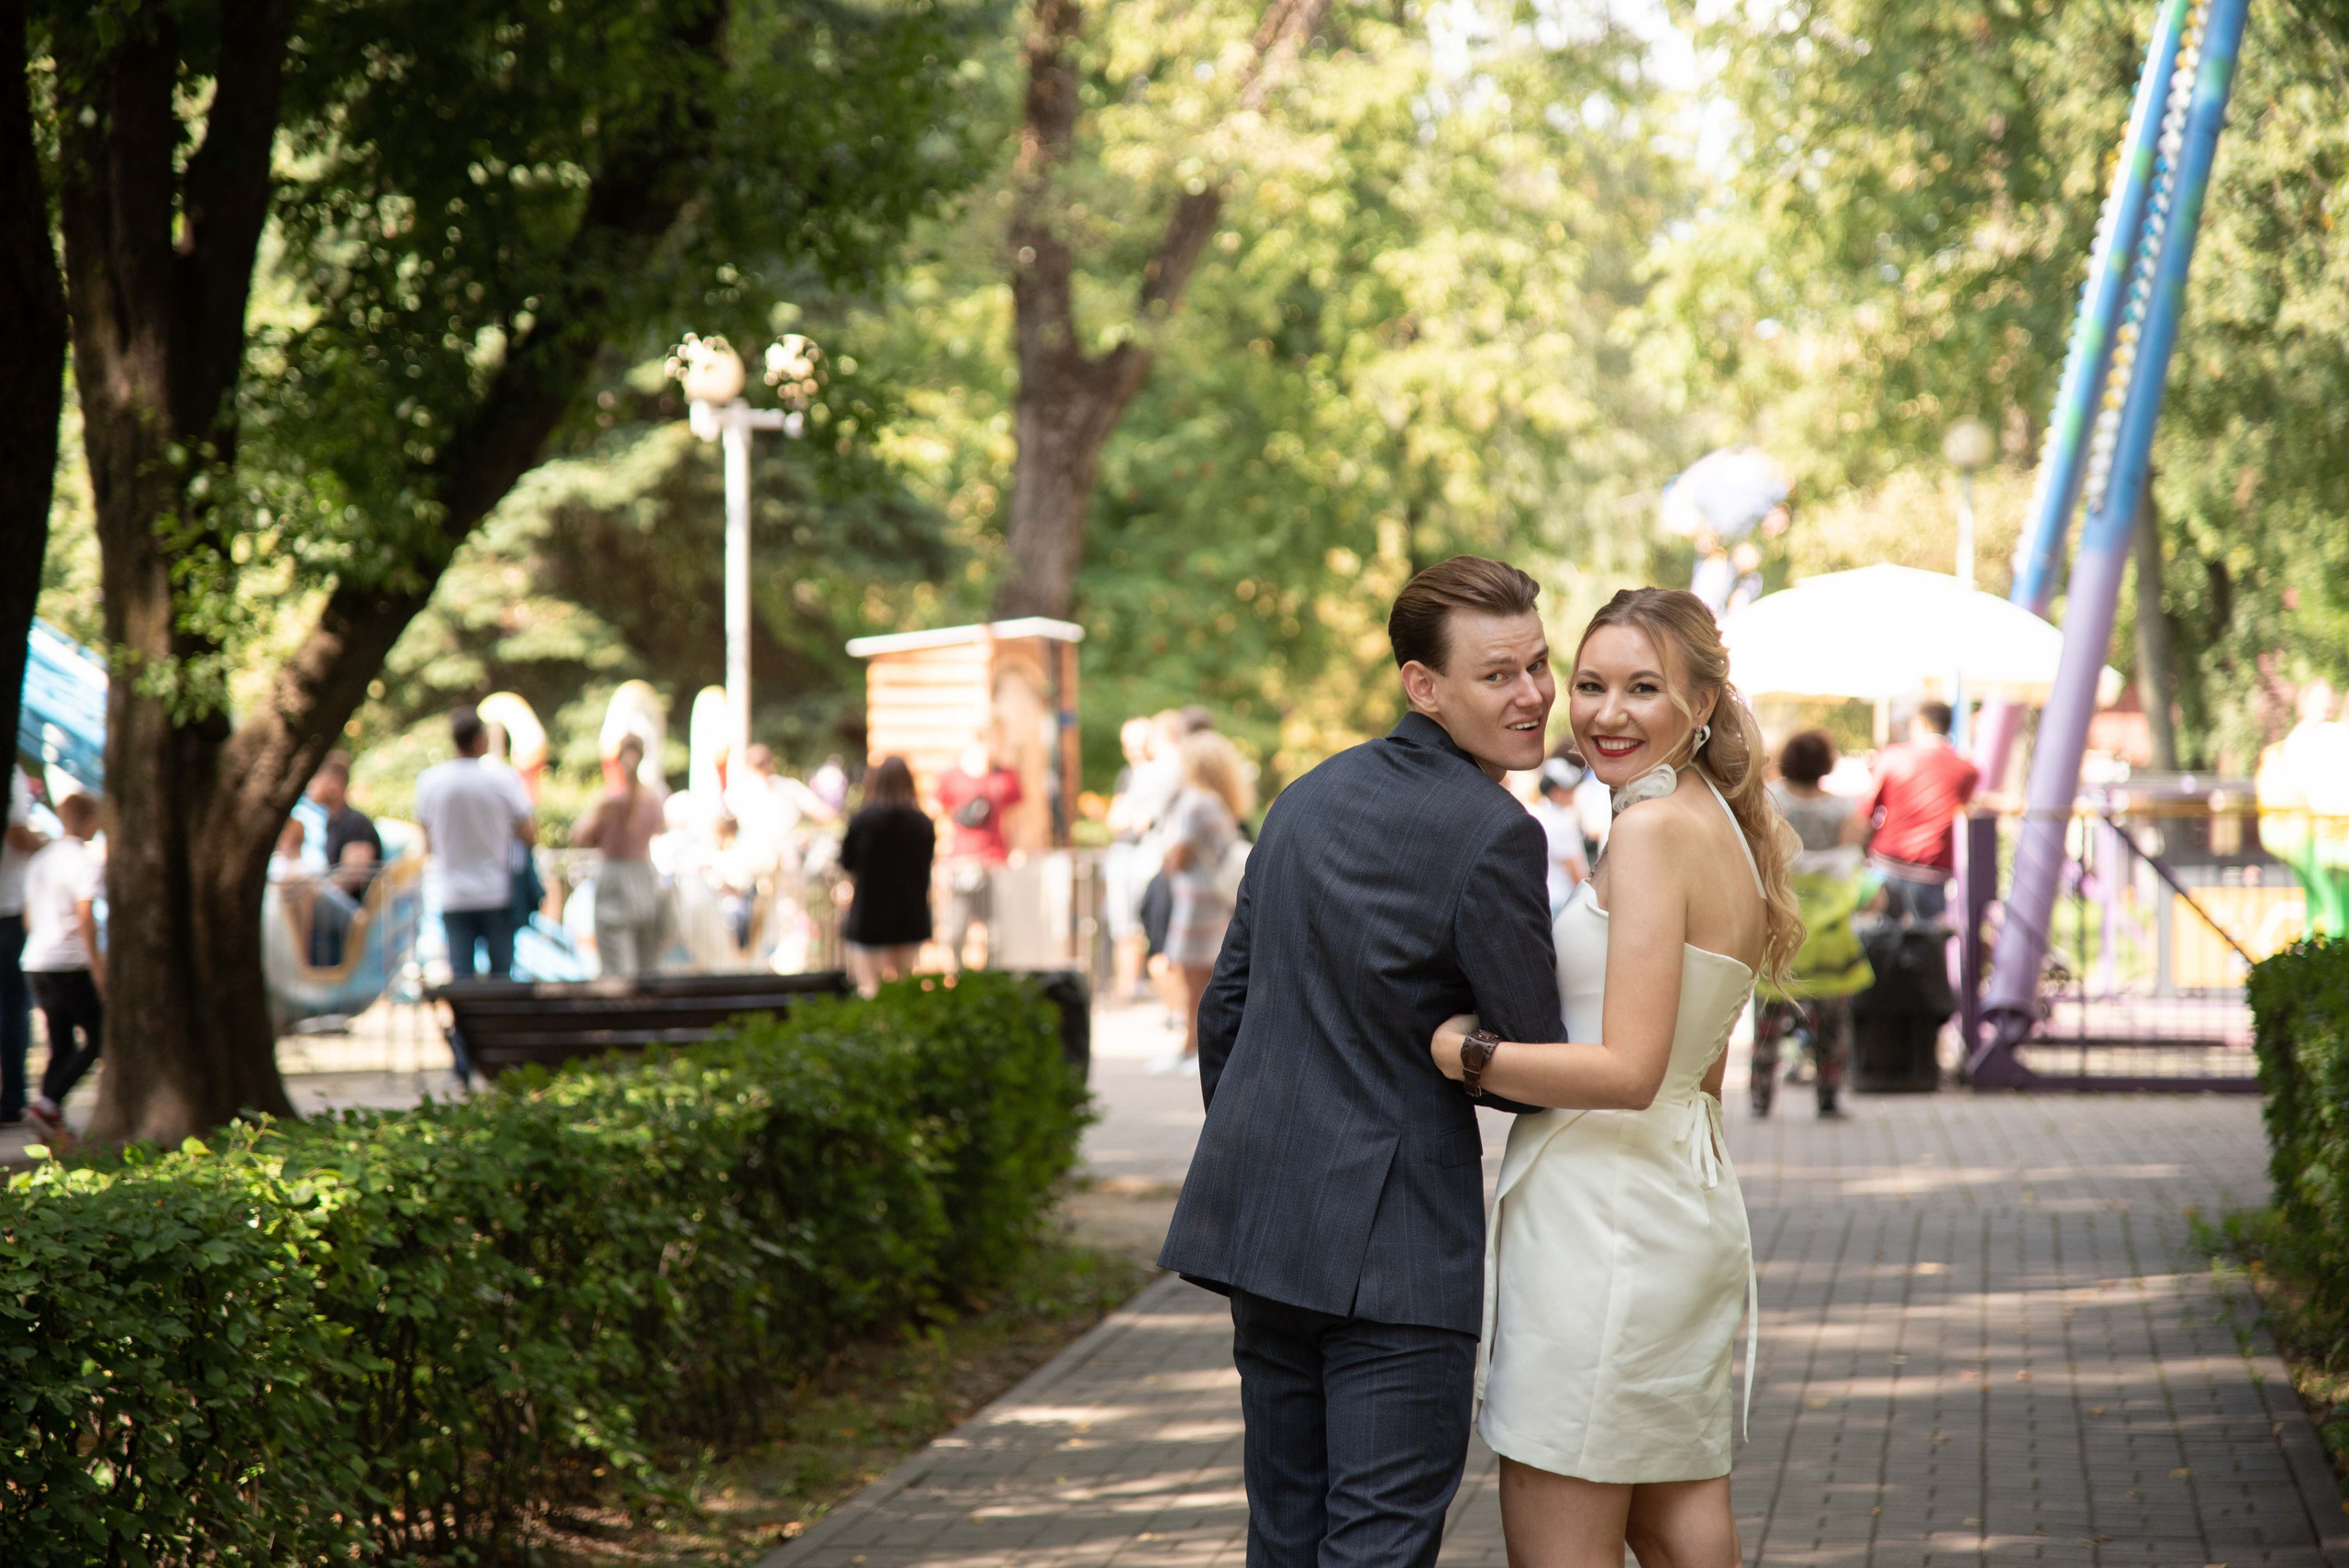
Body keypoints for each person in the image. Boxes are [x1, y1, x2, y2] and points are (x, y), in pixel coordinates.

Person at [1158, 556, 1564, 1568]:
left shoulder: (1304, 797)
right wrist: (1461, 1043)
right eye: (1498, 674)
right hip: (1398, 1255)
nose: (1532, 695)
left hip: (1265, 1230)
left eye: (1538, 665)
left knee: (1284, 1540)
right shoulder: (1493, 833)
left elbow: (1227, 1011)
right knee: (1375, 1549)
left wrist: (1271, 1147)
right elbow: (1530, 1059)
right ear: (1423, 686)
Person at [1428, 586, 1803, 1568]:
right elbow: (1697, 1071)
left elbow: (1632, 1069)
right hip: (1674, 1199)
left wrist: (1463, 1055)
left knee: (1566, 1522)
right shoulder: (1716, 822)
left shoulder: (1647, 833)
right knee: (1674, 1516)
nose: (1604, 711)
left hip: (1604, 1226)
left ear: (1702, 701)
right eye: (1587, 684)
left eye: (1642, 687)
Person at [1754, 729, 1874, 1118]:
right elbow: (1853, 858)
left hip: (1780, 925)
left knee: (1768, 1017)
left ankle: (1760, 1097)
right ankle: (1828, 1095)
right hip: (1829, 926)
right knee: (1833, 1020)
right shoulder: (1843, 809)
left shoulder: (1771, 803)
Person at [1148, 730, 1256, 1076]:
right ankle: (1191, 1047)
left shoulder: (1195, 802)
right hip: (1211, 898)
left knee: (1194, 978)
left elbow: (1177, 857)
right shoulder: (1217, 800)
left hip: (1196, 901)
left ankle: (1193, 1048)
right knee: (1205, 977)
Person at [415, 706, 537, 980]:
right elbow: (529, 833)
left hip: (452, 894)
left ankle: (464, 1024)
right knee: (502, 977)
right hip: (498, 891)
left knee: (460, 976)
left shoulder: (430, 782)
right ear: (480, 739)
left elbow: (426, 842)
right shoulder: (502, 778)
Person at [20, 792, 106, 1140]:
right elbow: (86, 916)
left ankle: (49, 1116)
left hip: (36, 959)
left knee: (62, 1042)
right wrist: (97, 966)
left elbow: (28, 915)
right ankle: (48, 1104)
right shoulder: (84, 862)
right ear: (88, 821)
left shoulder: (40, 860)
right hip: (68, 961)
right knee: (100, 1036)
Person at [1862, 699, 1980, 924]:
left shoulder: (1890, 758)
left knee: (1878, 941)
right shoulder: (1966, 770)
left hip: (1886, 864)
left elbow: (1866, 811)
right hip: (1933, 870)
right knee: (1928, 944)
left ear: (1920, 723)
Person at [838, 756, 936, 996]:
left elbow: (847, 863)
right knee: (904, 991)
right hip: (910, 915)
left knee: (870, 989)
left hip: (870, 916)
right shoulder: (922, 822)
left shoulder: (863, 821)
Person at [573, 734, 668, 978]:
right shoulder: (654, 799)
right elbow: (660, 828)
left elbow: (580, 834)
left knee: (616, 967)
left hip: (615, 878)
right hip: (644, 876)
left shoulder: (609, 800)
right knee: (646, 960)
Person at [935, 740, 1021, 968]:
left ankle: (992, 979)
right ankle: (956, 976)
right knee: (955, 928)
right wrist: (941, 860)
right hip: (960, 862)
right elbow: (941, 818)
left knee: (995, 931)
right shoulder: (952, 777)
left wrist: (1015, 850)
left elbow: (1014, 818)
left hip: (995, 861)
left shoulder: (1004, 777)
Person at [1, 764, 47, 1126]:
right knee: (13, 1005)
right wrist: (50, 845)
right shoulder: (10, 773)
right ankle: (12, 1096)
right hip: (8, 908)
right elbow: (18, 834)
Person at [306, 751, 383, 899]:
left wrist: (315, 888)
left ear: (334, 783)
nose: (310, 784)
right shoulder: (332, 822)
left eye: (315, 778)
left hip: (357, 913)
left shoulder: (355, 822)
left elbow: (354, 877)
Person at [1531, 756, 1592, 916]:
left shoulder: (1539, 814)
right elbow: (1574, 868)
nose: (1573, 793)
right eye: (1569, 789)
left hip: (1546, 898)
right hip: (1564, 901)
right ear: (1555, 792)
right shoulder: (1562, 822)